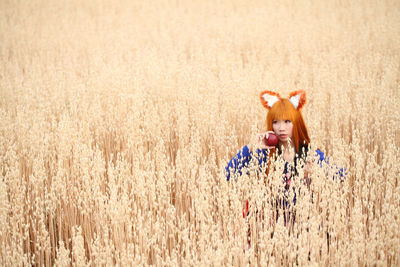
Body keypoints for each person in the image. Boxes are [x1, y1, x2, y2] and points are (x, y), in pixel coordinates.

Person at [225, 90, 346, 220]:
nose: (281, 128)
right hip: (268, 225)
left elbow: (341, 176)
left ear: (297, 122)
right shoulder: (265, 154)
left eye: (287, 121)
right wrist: (250, 147)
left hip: (302, 225)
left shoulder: (309, 154)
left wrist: (317, 173)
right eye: (276, 122)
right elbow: (228, 174)